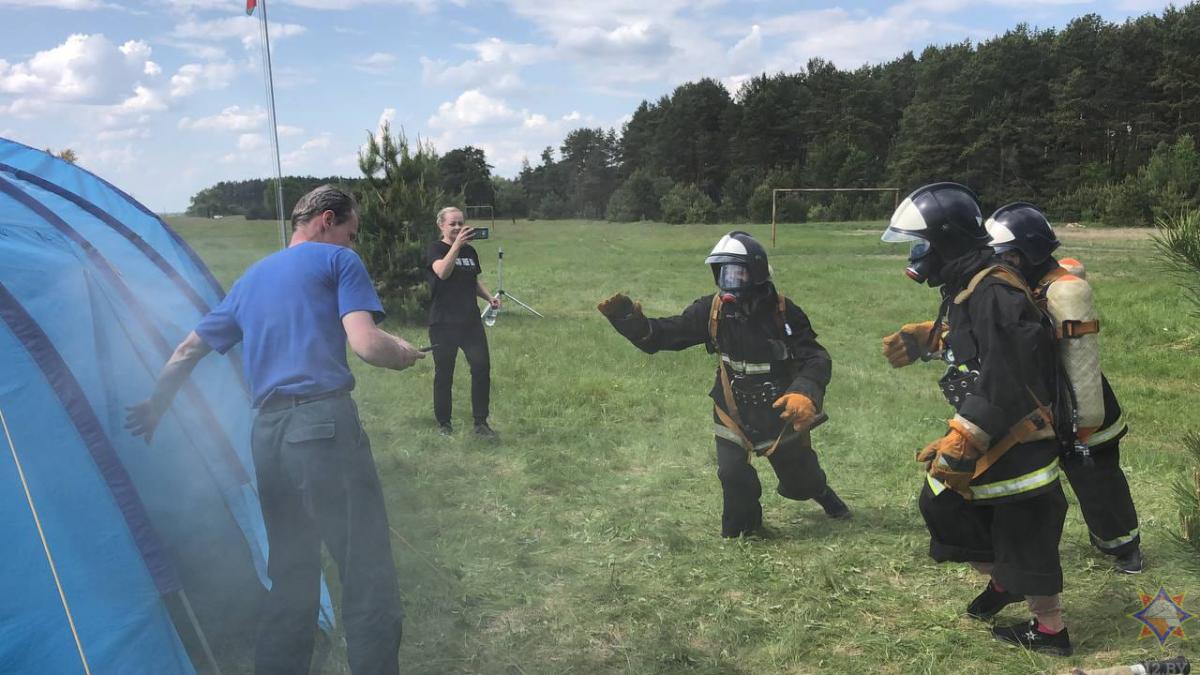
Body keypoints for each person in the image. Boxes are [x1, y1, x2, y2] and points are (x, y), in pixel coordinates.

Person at [126, 185, 423, 675]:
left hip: (267, 436)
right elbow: (367, 346)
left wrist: (157, 405)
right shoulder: (337, 262)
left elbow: (186, 351)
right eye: (352, 232)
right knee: (365, 572)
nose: (353, 243)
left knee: (291, 573)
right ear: (328, 220)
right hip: (323, 427)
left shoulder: (250, 280)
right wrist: (403, 355)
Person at [880, 183, 1072, 656]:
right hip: (994, 428)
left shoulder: (993, 290)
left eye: (921, 243)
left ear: (946, 241)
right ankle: (1005, 580)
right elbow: (982, 349)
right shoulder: (969, 284)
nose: (916, 254)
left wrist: (965, 435)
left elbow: (1009, 372)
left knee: (1023, 526)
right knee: (944, 504)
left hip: (1019, 435)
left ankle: (1050, 631)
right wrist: (935, 338)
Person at [597, 231, 850, 538]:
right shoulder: (712, 310)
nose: (727, 281)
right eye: (722, 273)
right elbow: (666, 334)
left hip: (780, 412)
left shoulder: (785, 313)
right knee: (732, 474)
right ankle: (746, 531)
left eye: (736, 272)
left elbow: (816, 358)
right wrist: (634, 325)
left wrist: (804, 392)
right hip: (733, 408)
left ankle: (822, 492)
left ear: (756, 273)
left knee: (801, 481)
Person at [985, 202, 1142, 573]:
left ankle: (1124, 547)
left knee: (1100, 483)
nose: (1000, 263)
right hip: (1044, 402)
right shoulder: (1022, 288)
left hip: (1085, 405)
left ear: (1026, 254)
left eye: (1006, 255)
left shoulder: (1059, 293)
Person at [425, 206, 500, 437]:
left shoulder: (470, 252)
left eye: (461, 223)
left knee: (481, 368)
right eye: (453, 224)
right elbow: (442, 273)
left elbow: (472, 281)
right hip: (443, 323)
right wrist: (456, 246)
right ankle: (444, 424)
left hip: (470, 322)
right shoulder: (434, 249)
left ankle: (480, 423)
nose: (458, 227)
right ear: (441, 226)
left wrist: (489, 297)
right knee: (444, 373)